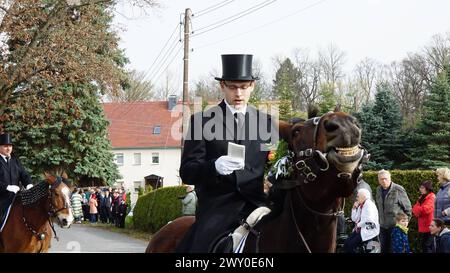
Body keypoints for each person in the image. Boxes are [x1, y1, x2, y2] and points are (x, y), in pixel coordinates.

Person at [176, 54, 277, 253]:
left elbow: (270, 164)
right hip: (218, 206)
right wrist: (213, 166)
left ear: (252, 86)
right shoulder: (201, 122)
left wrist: (273, 180)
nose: (238, 93)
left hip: (257, 204)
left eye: (244, 87)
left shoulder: (267, 123)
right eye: (232, 87)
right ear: (222, 86)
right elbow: (187, 172)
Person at [0, 133, 34, 232]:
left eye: (10, 146)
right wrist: (6, 187)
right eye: (5, 146)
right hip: (1, 198)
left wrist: (28, 184)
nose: (8, 148)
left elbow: (24, 174)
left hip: (16, 197)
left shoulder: (15, 161)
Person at [375, 169, 412, 253]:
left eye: (386, 178)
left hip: (396, 227)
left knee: (395, 250)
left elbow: (408, 208)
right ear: (379, 180)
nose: (384, 181)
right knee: (383, 248)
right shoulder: (378, 190)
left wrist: (405, 223)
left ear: (390, 178)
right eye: (381, 179)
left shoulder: (398, 189)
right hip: (383, 226)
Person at [344, 188, 379, 253]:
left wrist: (358, 224)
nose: (356, 198)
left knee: (350, 245)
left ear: (364, 197)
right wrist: (354, 208)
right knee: (346, 243)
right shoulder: (361, 205)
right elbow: (354, 218)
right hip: (360, 229)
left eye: (358, 196)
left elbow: (369, 219)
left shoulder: (369, 205)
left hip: (368, 230)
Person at [412, 180, 435, 253]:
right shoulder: (422, 197)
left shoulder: (431, 197)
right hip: (424, 225)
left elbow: (425, 210)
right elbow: (414, 209)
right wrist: (418, 209)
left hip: (430, 226)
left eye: (422, 188)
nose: (420, 189)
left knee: (427, 245)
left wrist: (417, 209)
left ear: (427, 188)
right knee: (424, 245)